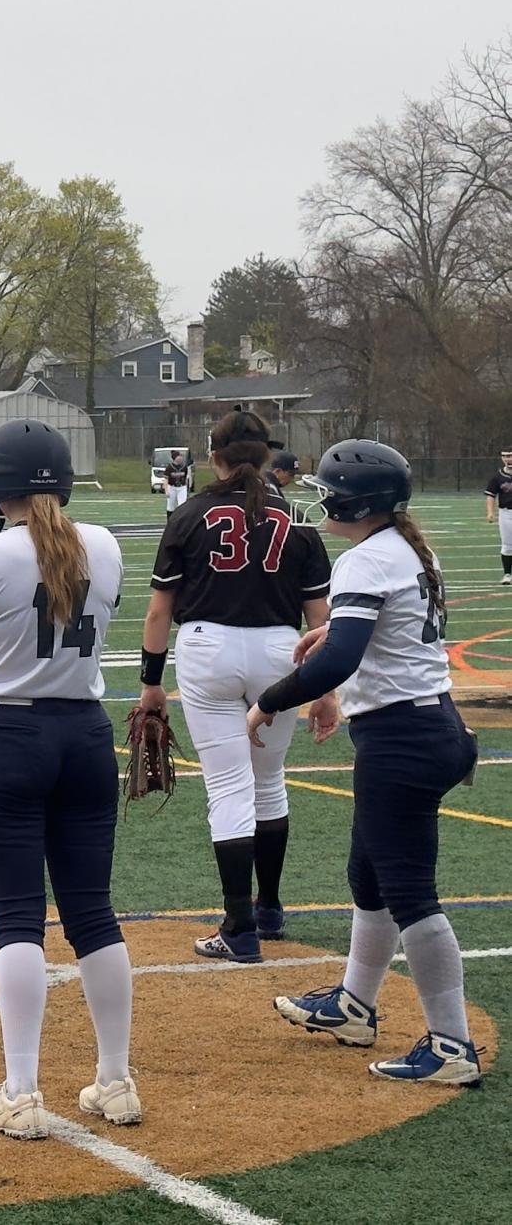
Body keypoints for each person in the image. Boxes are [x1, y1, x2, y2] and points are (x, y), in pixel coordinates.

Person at [249, 440, 483, 1086]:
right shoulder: (407, 548)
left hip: (402, 738)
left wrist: (271, 702)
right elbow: (388, 631)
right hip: (429, 724)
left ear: (360, 500)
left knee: (410, 895)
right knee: (370, 876)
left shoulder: (366, 558)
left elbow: (341, 660)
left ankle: (451, 1046)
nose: (320, 498)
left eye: (329, 489)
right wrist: (335, 633)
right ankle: (355, 1005)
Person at [0, 419, 140, 1138]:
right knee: (93, 913)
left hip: (9, 731)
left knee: (17, 917)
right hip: (84, 732)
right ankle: (115, 1079)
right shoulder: (106, 544)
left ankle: (21, 1093)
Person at [138, 411, 336, 964]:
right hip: (281, 651)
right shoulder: (295, 518)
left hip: (208, 650)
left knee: (228, 788)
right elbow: (321, 617)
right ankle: (269, 909)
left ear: (213, 456)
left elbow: (159, 612)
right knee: (268, 782)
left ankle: (238, 926)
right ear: (268, 457)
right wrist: (326, 689)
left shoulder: (190, 514)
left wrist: (151, 683)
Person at [483, 446, 512, 584]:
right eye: (505, 456)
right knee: (507, 545)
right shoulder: (498, 476)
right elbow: (491, 495)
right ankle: (507, 574)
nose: (508, 459)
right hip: (506, 513)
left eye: (511, 456)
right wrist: (490, 512)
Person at [164, 450, 189, 516]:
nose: (180, 457)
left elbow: (186, 478)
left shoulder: (184, 467)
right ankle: (170, 522)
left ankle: (181, 522)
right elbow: (166, 479)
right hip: (172, 487)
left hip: (182, 487)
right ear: (175, 458)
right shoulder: (169, 467)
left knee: (182, 506)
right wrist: (166, 490)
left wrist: (187, 489)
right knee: (170, 506)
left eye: (181, 456)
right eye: (179, 456)